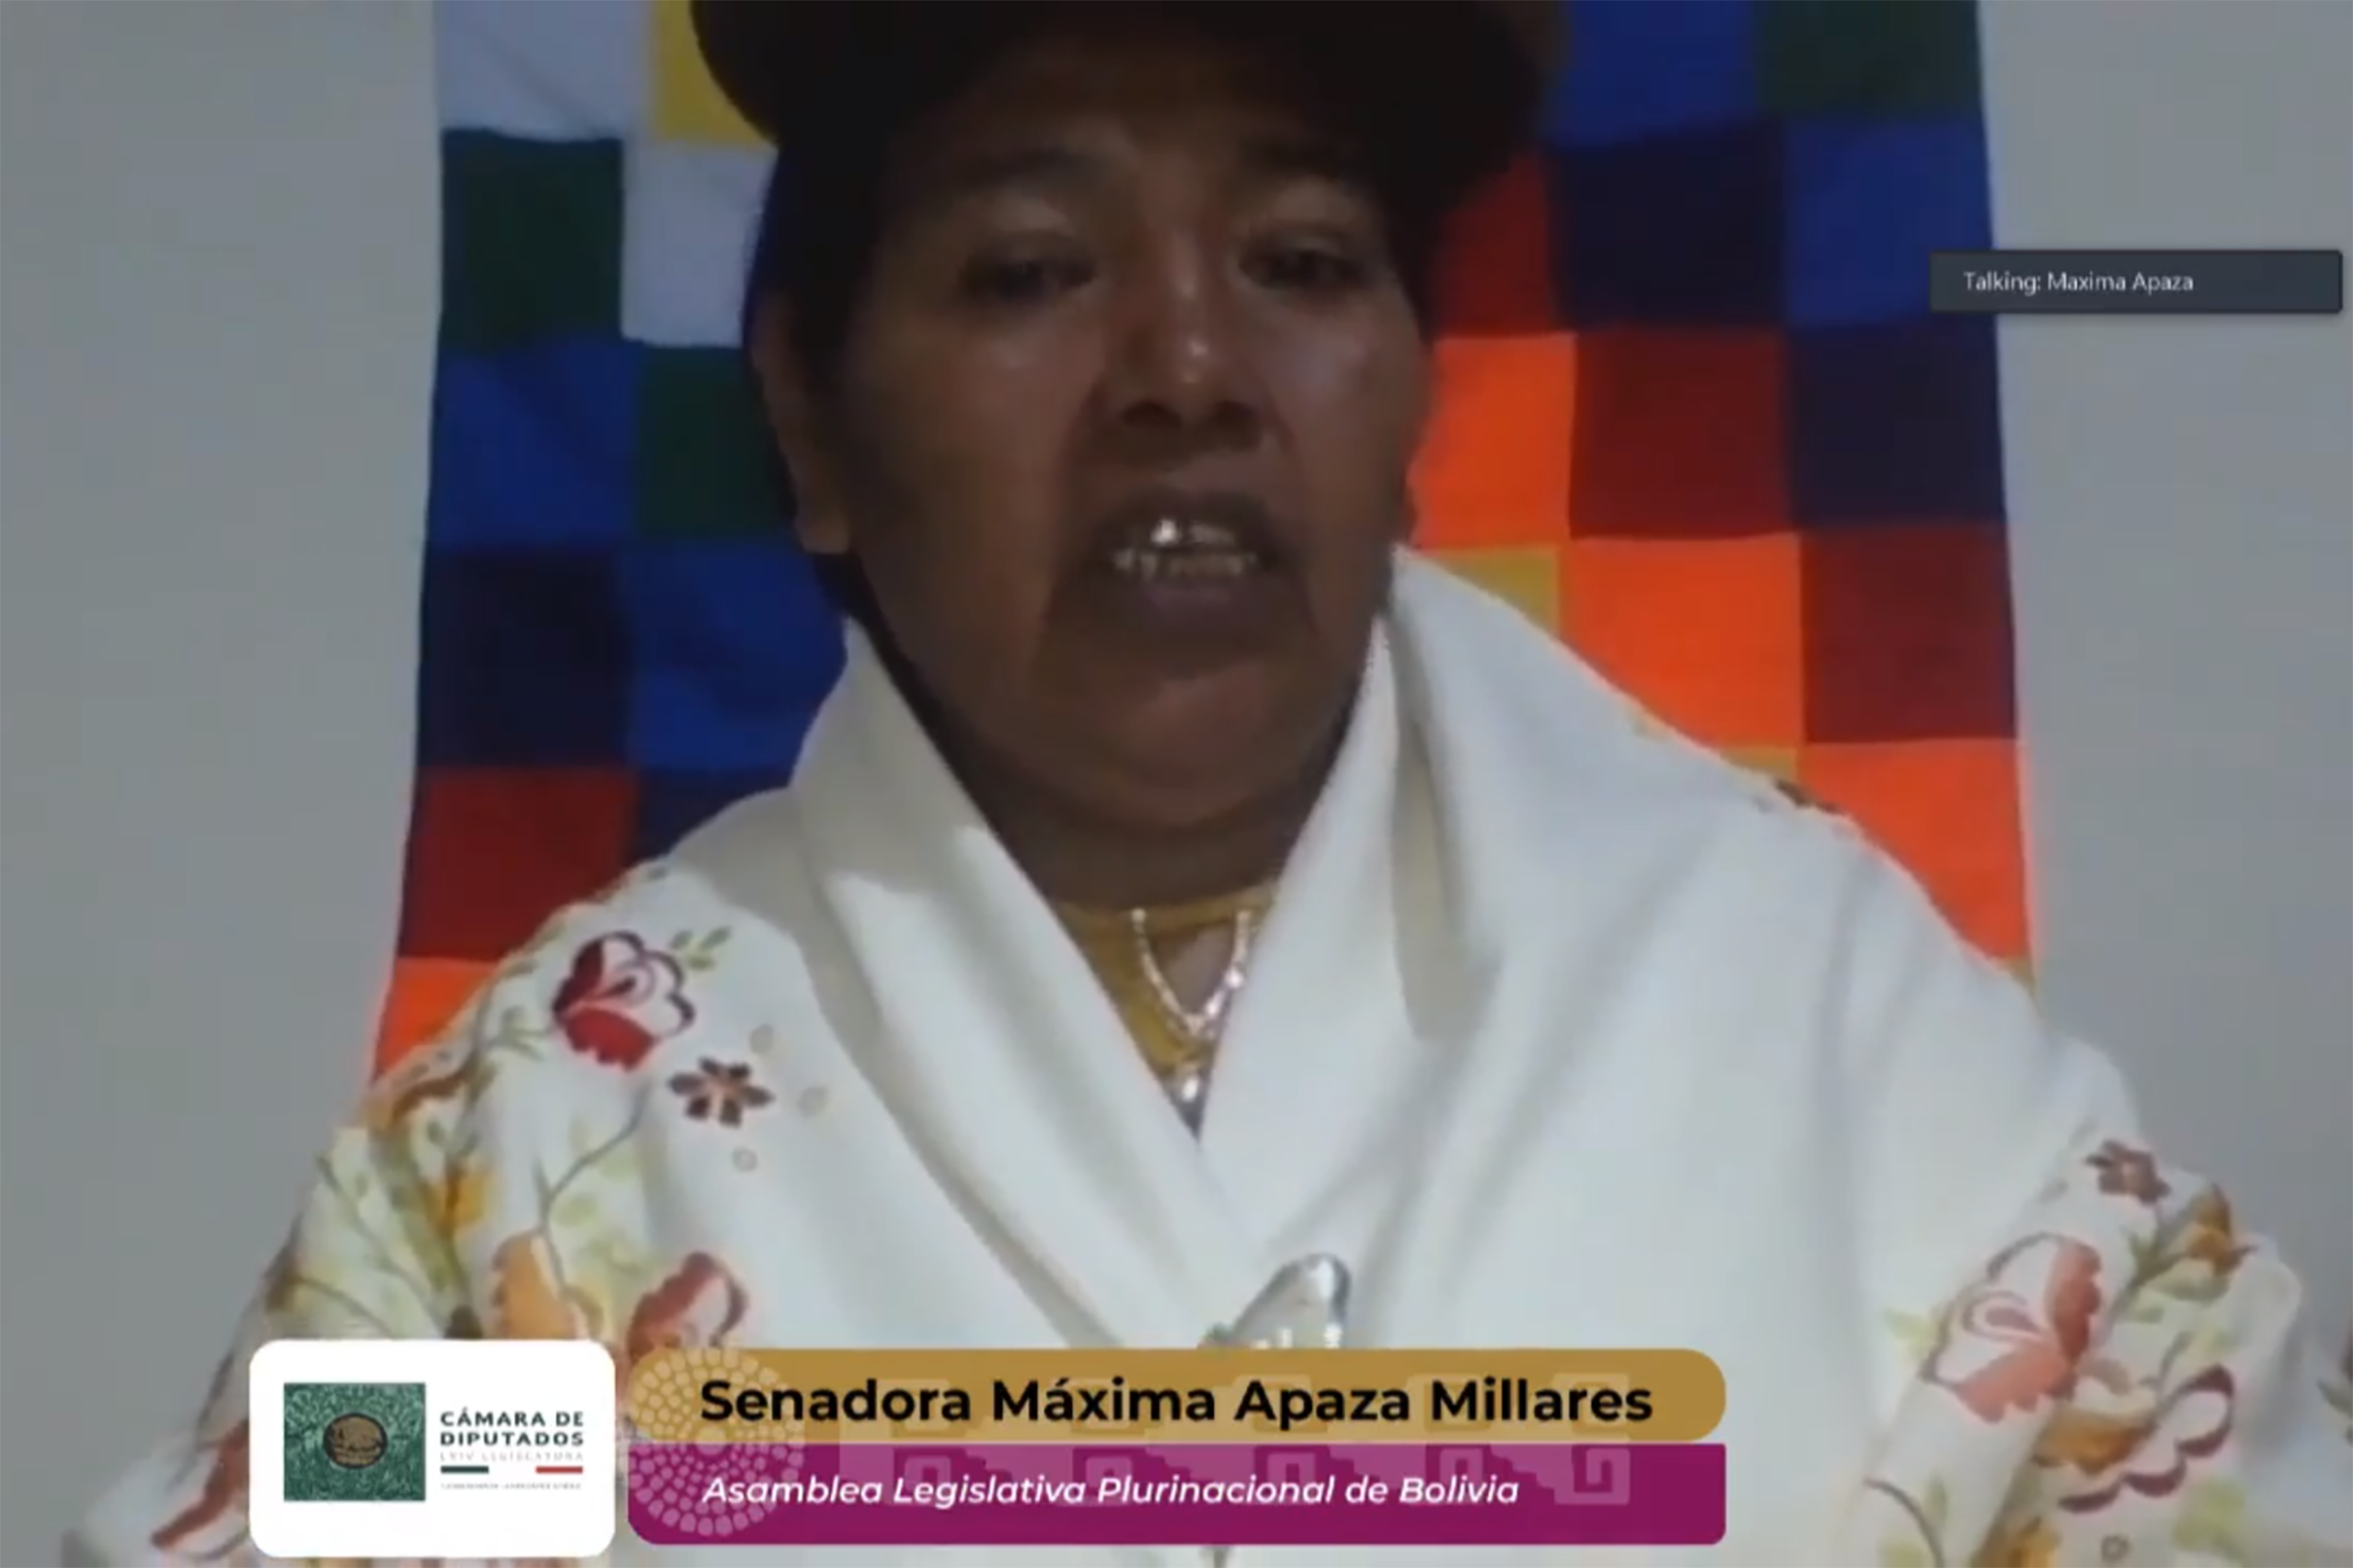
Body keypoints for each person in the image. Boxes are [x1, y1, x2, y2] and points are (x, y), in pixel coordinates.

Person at [71, 0, 2353, 1560]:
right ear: (809, 423)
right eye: (1031, 268)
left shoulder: (1820, 1016)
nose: (1186, 364)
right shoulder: (558, 1133)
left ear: (1409, 397)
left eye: (1295, 259)